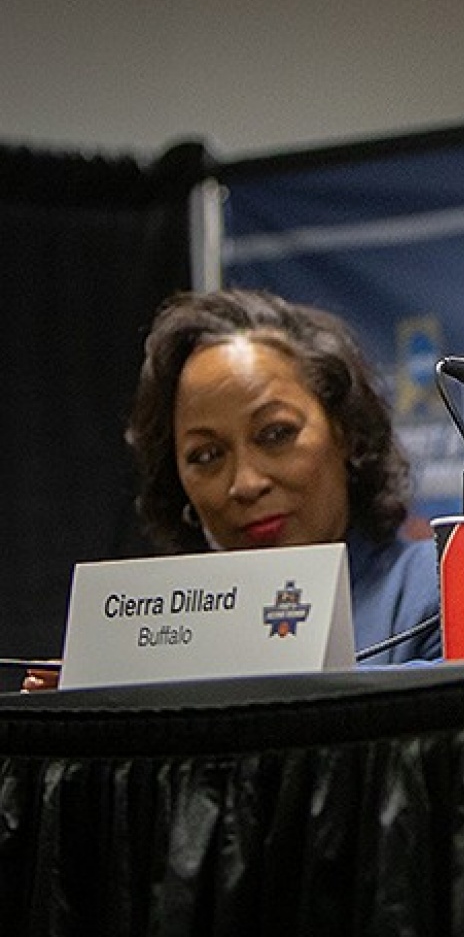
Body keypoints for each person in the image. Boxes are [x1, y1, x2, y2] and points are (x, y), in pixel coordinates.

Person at [23, 290, 442, 689]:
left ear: (347, 433)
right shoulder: (158, 637)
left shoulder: (438, 591)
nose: (245, 484)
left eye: (276, 434)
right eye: (206, 456)